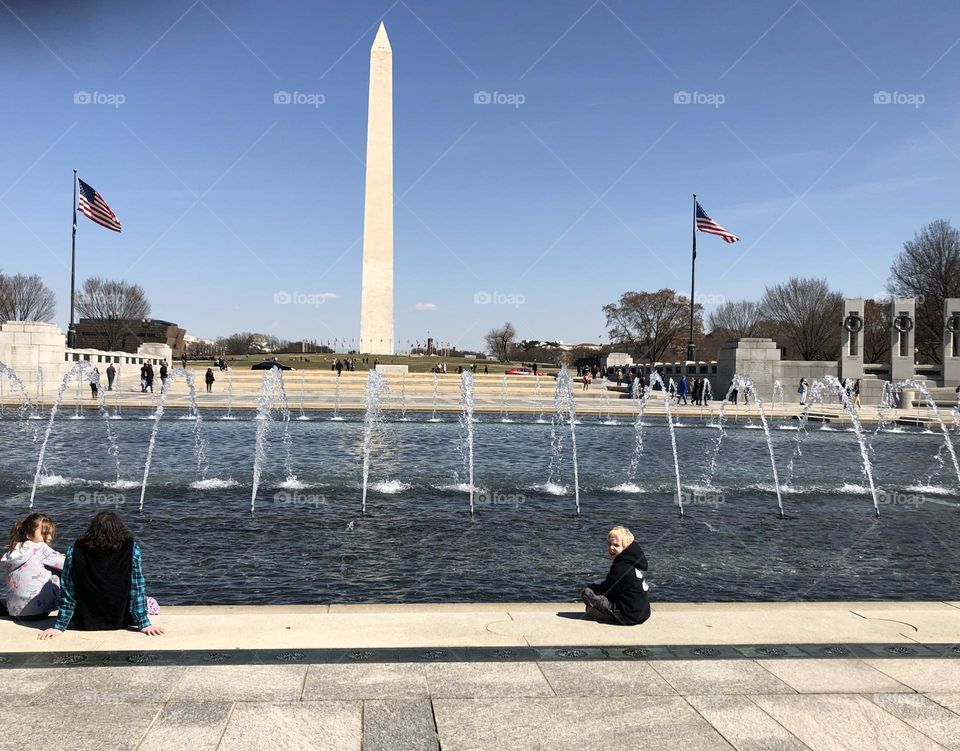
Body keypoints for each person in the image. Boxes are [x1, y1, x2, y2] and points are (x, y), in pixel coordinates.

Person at [37, 511, 163, 639]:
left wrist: (59, 626)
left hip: (84, 621)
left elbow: (68, 591)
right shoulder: (131, 548)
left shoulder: (75, 549)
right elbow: (137, 589)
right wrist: (144, 623)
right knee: (150, 601)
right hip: (121, 619)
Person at [581, 526, 650, 626]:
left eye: (616, 545)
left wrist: (592, 587)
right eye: (609, 544)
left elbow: (607, 590)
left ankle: (610, 615)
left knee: (586, 593)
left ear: (625, 547)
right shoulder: (633, 563)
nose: (611, 548)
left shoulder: (620, 567)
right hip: (643, 613)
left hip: (627, 616)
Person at [1, 513, 64, 619]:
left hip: (15, 612)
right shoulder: (41, 548)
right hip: (38, 612)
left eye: (51, 534)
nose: (49, 538)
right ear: (29, 535)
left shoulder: (11, 553)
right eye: (44, 534)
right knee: (63, 571)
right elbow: (68, 563)